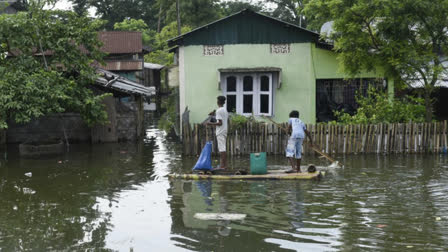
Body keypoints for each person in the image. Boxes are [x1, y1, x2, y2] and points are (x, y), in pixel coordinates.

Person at [207, 96, 228, 169]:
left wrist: (210, 124)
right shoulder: (224, 110)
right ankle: (223, 165)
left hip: (220, 131)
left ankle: (223, 166)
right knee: (223, 148)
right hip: (224, 131)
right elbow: (220, 120)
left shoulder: (219, 111)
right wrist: (214, 115)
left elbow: (220, 123)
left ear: (218, 102)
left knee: (222, 149)